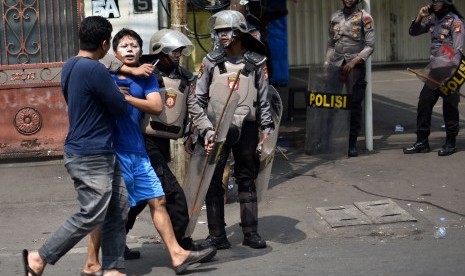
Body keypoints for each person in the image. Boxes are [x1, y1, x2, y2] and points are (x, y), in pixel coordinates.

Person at [82, 28, 215, 275]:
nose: (177, 55)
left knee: (145, 198)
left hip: (152, 145)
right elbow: (97, 61)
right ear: (159, 51)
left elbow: (192, 108)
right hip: (136, 143)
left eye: (179, 51)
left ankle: (170, 252)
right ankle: (182, 246)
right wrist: (130, 70)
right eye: (172, 50)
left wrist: (206, 130)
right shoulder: (124, 71)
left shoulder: (179, 78)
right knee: (168, 195)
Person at [21, 16, 130, 276]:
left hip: (97, 149)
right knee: (92, 213)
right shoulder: (95, 70)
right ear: (105, 44)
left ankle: (113, 268)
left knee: (118, 206)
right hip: (90, 153)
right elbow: (119, 107)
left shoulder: (71, 65)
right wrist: (118, 93)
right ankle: (39, 258)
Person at [190, 10, 274, 250]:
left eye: (227, 31)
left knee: (247, 178)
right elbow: (198, 98)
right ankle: (217, 235)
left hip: (246, 127)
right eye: (219, 32)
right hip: (216, 128)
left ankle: (250, 233)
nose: (222, 36)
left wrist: (266, 128)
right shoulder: (210, 62)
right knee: (213, 180)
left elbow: (264, 98)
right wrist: (195, 130)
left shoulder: (257, 62)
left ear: (239, 33)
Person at [403, 0, 464, 156]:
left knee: (449, 107)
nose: (435, 4)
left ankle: (450, 143)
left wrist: (447, 71)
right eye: (434, 1)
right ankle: (422, 142)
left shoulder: (455, 22)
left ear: (447, 3)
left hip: (450, 72)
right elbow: (413, 32)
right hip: (435, 71)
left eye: (439, 1)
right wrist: (419, 17)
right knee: (424, 103)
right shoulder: (433, 19)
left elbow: (457, 51)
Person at [324, 0, 375, 157]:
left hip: (355, 67)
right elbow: (331, 44)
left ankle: (352, 144)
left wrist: (354, 62)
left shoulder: (365, 18)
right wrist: (326, 64)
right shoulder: (335, 17)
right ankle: (325, 141)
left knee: (354, 106)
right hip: (337, 65)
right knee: (330, 103)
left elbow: (370, 46)